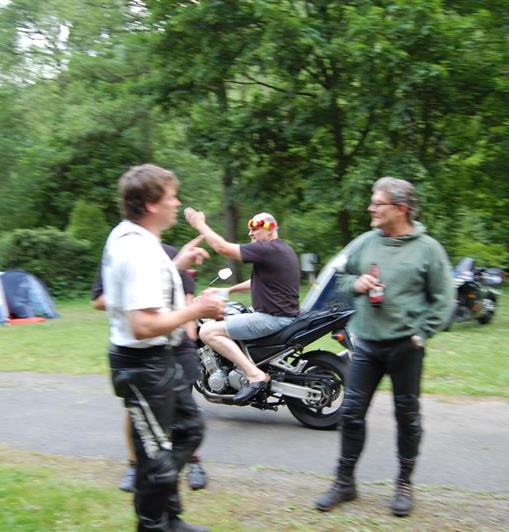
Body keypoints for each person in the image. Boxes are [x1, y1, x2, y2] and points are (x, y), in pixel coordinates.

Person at [314, 177, 453, 517]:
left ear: (401, 208)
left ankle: (404, 484)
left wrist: (423, 332)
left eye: (377, 203)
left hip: (406, 347)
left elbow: (444, 298)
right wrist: (357, 283)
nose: (370, 208)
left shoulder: (428, 249)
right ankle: (344, 482)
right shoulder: (365, 242)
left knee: (407, 417)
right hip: (367, 345)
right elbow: (339, 277)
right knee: (351, 413)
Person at [102, 164, 224, 532]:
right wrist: (198, 310)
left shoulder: (136, 240)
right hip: (144, 365)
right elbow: (143, 325)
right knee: (157, 459)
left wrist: (177, 264)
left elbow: (143, 287)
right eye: (171, 197)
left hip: (158, 360)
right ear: (152, 204)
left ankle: (168, 516)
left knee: (188, 430)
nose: (177, 203)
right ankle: (153, 522)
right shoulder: (137, 249)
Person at [91, 249, 208, 493]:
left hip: (178, 344)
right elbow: (98, 300)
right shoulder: (120, 253)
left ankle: (192, 461)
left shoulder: (171, 253)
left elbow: (186, 297)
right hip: (141, 346)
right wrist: (134, 298)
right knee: (135, 407)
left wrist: (190, 335)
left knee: (184, 405)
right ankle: (135, 464)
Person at [183, 209, 300, 404]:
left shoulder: (267, 249)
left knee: (207, 331)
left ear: (271, 230)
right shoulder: (280, 250)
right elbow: (257, 282)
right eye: (249, 228)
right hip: (280, 316)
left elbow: (222, 248)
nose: (251, 233)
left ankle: (255, 375)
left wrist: (200, 225)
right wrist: (226, 291)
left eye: (256, 228)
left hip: (271, 318)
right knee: (230, 319)